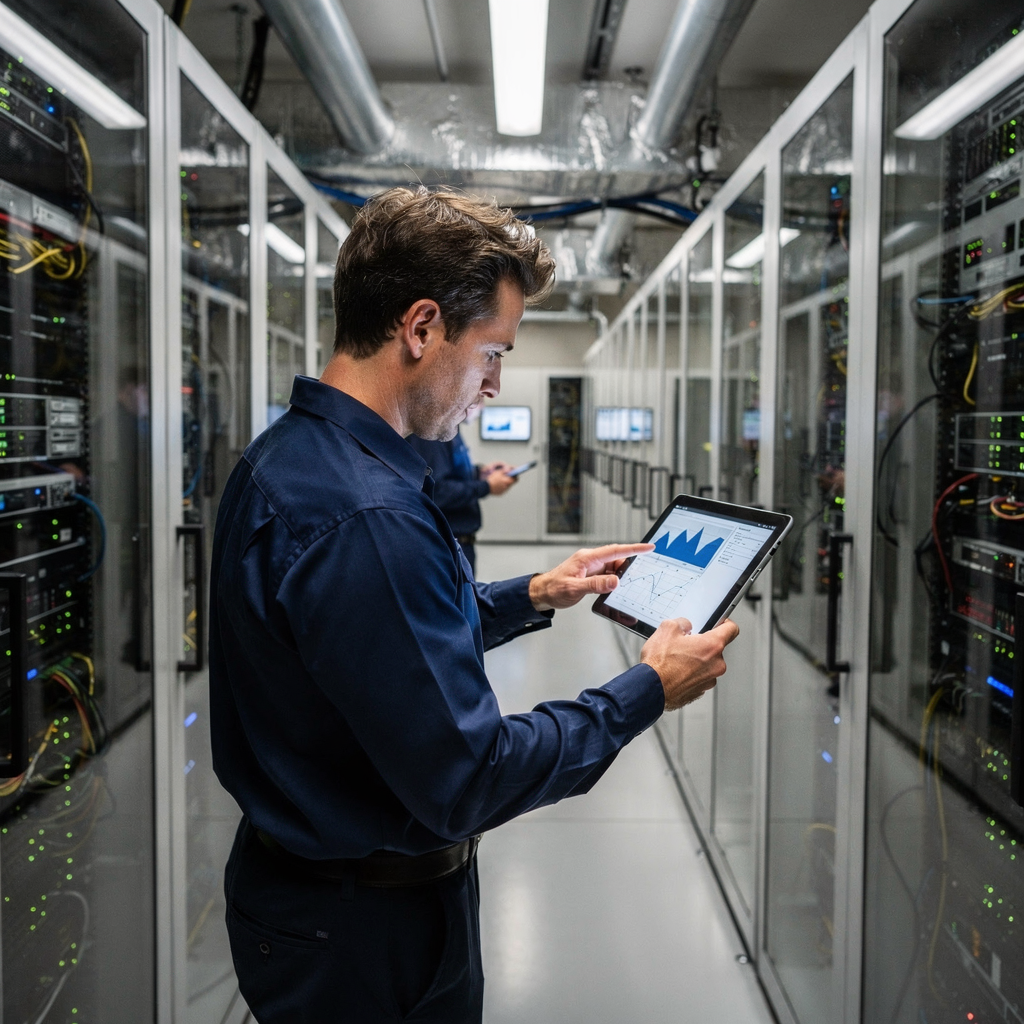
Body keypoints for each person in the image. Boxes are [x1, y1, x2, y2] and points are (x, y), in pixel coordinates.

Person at [209, 186, 738, 1024]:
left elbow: (363, 649)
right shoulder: (369, 514)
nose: (494, 384)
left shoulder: (289, 456)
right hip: (368, 934)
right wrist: (646, 689)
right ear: (421, 328)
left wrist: (532, 594)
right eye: (493, 352)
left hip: (304, 900)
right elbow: (469, 777)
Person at [406, 408, 516, 575]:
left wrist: (480, 473)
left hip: (461, 543)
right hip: (447, 542)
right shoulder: (433, 433)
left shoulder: (451, 431)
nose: (482, 403)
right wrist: (486, 487)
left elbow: (452, 473)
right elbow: (438, 490)